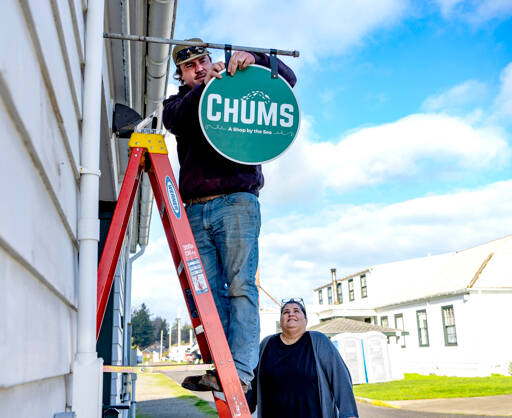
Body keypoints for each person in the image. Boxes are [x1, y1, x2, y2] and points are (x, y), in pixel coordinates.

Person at [162, 39, 297, 392]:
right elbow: (175, 119)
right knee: (207, 292)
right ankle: (221, 367)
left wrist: (253, 58)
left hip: (237, 201)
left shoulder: (236, 86)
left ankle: (239, 372)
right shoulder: (179, 103)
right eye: (191, 66)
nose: (201, 67)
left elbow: (286, 79)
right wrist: (205, 88)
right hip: (195, 208)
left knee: (240, 286)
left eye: (204, 60)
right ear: (181, 75)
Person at [246, 298, 359, 418]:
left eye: (296, 311)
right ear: (280, 321)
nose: (291, 314)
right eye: (286, 312)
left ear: (306, 320)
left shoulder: (319, 341)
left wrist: (349, 414)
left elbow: (340, 379)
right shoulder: (266, 344)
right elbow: (253, 383)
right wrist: (243, 408)